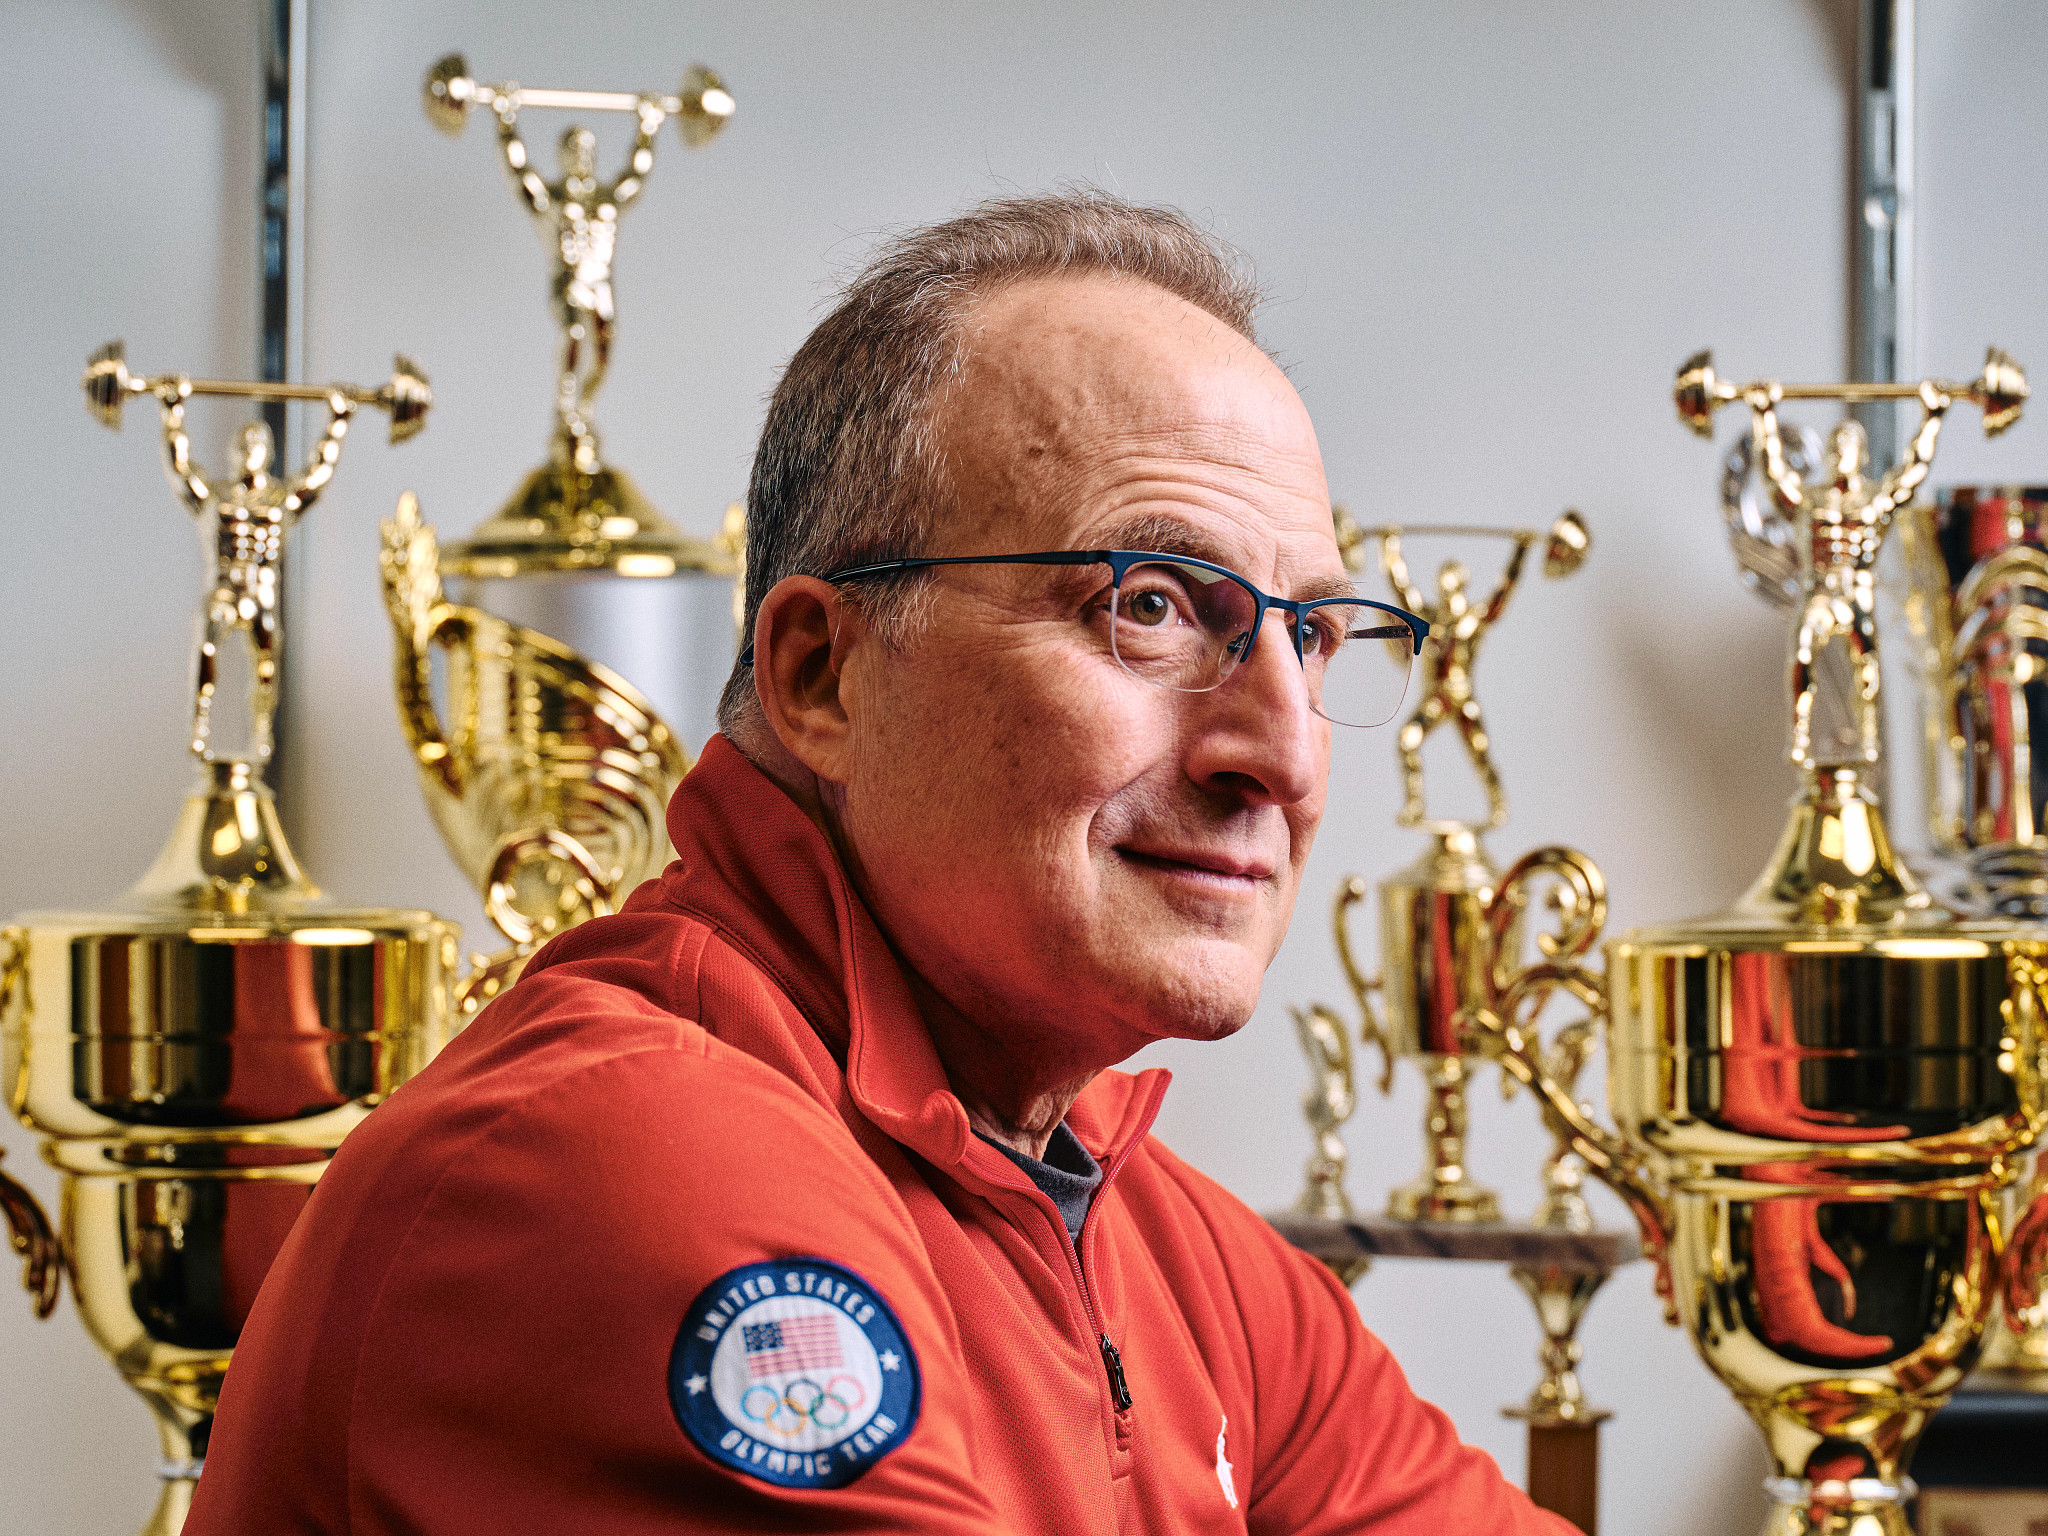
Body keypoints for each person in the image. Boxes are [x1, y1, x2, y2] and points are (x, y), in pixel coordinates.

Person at [187, 192, 1572, 1535]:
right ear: (821, 673)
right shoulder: (616, 1157)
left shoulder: (1170, 1246)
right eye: (1148, 606)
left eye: (1314, 638)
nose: (1284, 751)